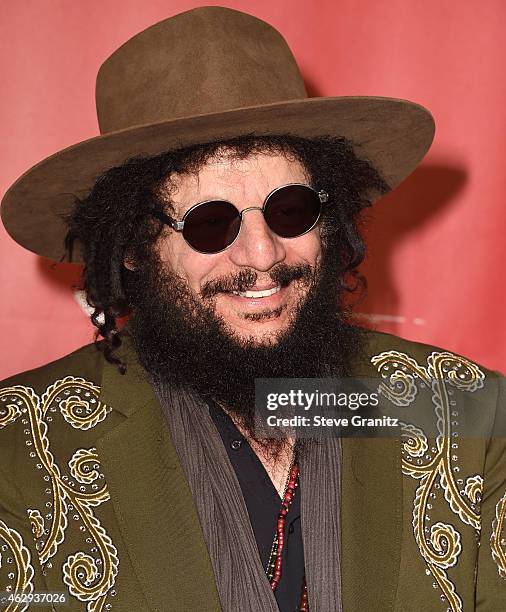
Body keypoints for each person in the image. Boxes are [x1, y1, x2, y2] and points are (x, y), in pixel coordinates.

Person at [0, 6, 504, 612]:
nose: (262, 254)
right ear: (133, 246)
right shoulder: (20, 447)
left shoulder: (466, 413)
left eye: (290, 209)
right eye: (210, 224)